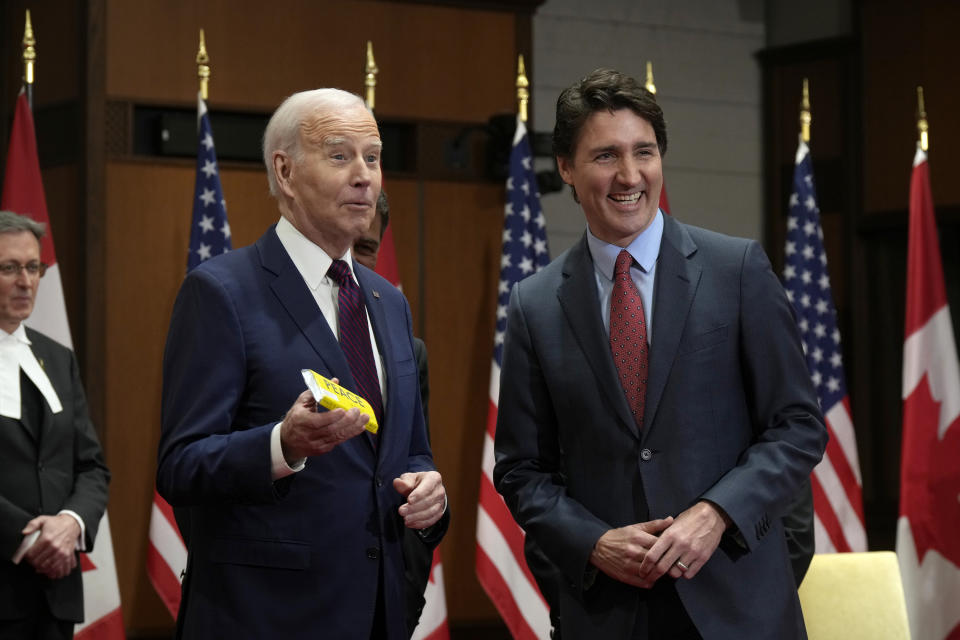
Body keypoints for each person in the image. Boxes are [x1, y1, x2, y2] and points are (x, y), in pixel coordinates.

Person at [493, 69, 828, 639]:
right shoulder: (535, 303)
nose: (629, 175)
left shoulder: (738, 270)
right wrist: (593, 543)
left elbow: (797, 426)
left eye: (643, 152)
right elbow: (523, 471)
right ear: (568, 170)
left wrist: (716, 513)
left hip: (737, 605)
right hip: (608, 613)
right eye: (605, 156)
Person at [158, 89, 448, 639]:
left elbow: (406, 453)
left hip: (379, 614)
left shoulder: (389, 302)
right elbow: (181, 466)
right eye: (340, 156)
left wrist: (431, 492)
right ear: (285, 172)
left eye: (374, 156)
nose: (364, 176)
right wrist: (282, 445)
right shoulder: (221, 292)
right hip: (267, 616)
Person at [0, 211, 110, 639]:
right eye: (9, 268)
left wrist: (70, 523)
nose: (25, 282)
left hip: (55, 592)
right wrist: (27, 540)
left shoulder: (56, 357)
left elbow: (92, 467)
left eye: (33, 267)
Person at [353, 190, 438, 637]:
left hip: (386, 609)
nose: (350, 260)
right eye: (343, 242)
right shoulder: (256, 323)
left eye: (366, 248)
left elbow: (416, 465)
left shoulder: (408, 349)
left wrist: (408, 591)